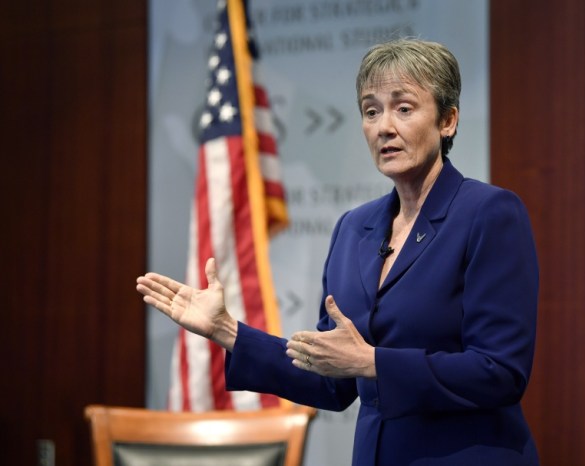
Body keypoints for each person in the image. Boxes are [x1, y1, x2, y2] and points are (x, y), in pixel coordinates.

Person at [137, 38, 540, 465]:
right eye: (371, 111)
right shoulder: (354, 229)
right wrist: (227, 331)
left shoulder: (488, 214)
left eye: (403, 108)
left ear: (448, 120)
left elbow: (500, 372)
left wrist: (373, 363)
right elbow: (331, 381)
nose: (384, 127)